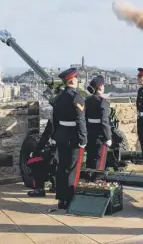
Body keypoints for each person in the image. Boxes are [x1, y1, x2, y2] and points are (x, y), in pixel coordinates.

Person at [52, 67, 87, 209]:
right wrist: (83, 139)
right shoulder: (77, 97)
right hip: (73, 137)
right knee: (71, 168)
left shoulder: (58, 97)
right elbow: (80, 120)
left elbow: (54, 119)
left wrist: (55, 135)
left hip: (61, 135)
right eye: (77, 78)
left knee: (61, 167)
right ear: (72, 80)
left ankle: (61, 199)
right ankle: (69, 199)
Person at [85, 76, 112, 170]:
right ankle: (97, 180)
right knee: (99, 160)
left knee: (90, 158)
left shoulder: (87, 101)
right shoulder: (102, 102)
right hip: (100, 136)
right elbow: (104, 121)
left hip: (90, 134)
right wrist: (108, 137)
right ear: (100, 87)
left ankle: (89, 179)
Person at [27, 119, 57, 197]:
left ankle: (39, 189)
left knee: (35, 161)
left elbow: (46, 135)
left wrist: (36, 151)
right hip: (72, 149)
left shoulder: (56, 115)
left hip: (56, 151)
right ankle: (56, 186)